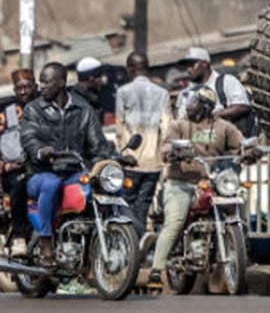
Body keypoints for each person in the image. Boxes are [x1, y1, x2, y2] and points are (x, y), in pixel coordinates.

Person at [147, 87, 245, 290]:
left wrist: (251, 150)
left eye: (194, 101)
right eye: (189, 100)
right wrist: (172, 153)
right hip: (180, 183)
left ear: (205, 106)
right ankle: (156, 270)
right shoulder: (179, 125)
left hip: (211, 181)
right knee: (175, 221)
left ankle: (240, 254)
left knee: (237, 207)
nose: (188, 105)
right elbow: (166, 146)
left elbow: (241, 143)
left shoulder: (223, 127)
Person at [19, 62, 117, 262]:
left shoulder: (83, 109)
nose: (41, 87)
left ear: (61, 83)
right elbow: (29, 138)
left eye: (46, 82)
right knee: (51, 183)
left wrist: (108, 160)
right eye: (40, 82)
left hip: (74, 172)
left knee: (103, 184)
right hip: (41, 173)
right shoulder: (33, 109)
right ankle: (46, 240)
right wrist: (40, 151)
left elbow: (97, 145)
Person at [114, 51, 171, 236]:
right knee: (143, 204)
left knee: (126, 203)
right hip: (153, 162)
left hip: (131, 161)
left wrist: (122, 153)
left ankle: (132, 242)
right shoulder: (162, 93)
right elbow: (167, 127)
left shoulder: (123, 92)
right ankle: (138, 241)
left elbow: (119, 127)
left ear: (130, 69)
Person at [175, 47, 257, 137]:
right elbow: (181, 121)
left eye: (192, 65)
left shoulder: (226, 81)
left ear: (205, 64)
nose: (188, 69)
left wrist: (214, 116)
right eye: (186, 66)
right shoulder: (185, 93)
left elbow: (242, 106)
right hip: (200, 143)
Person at [0, 68, 39, 256]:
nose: (23, 91)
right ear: (15, 90)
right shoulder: (7, 113)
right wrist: (5, 166)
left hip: (42, 167)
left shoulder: (45, 107)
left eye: (27, 87)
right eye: (19, 88)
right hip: (14, 169)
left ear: (35, 87)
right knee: (19, 183)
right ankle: (18, 236)